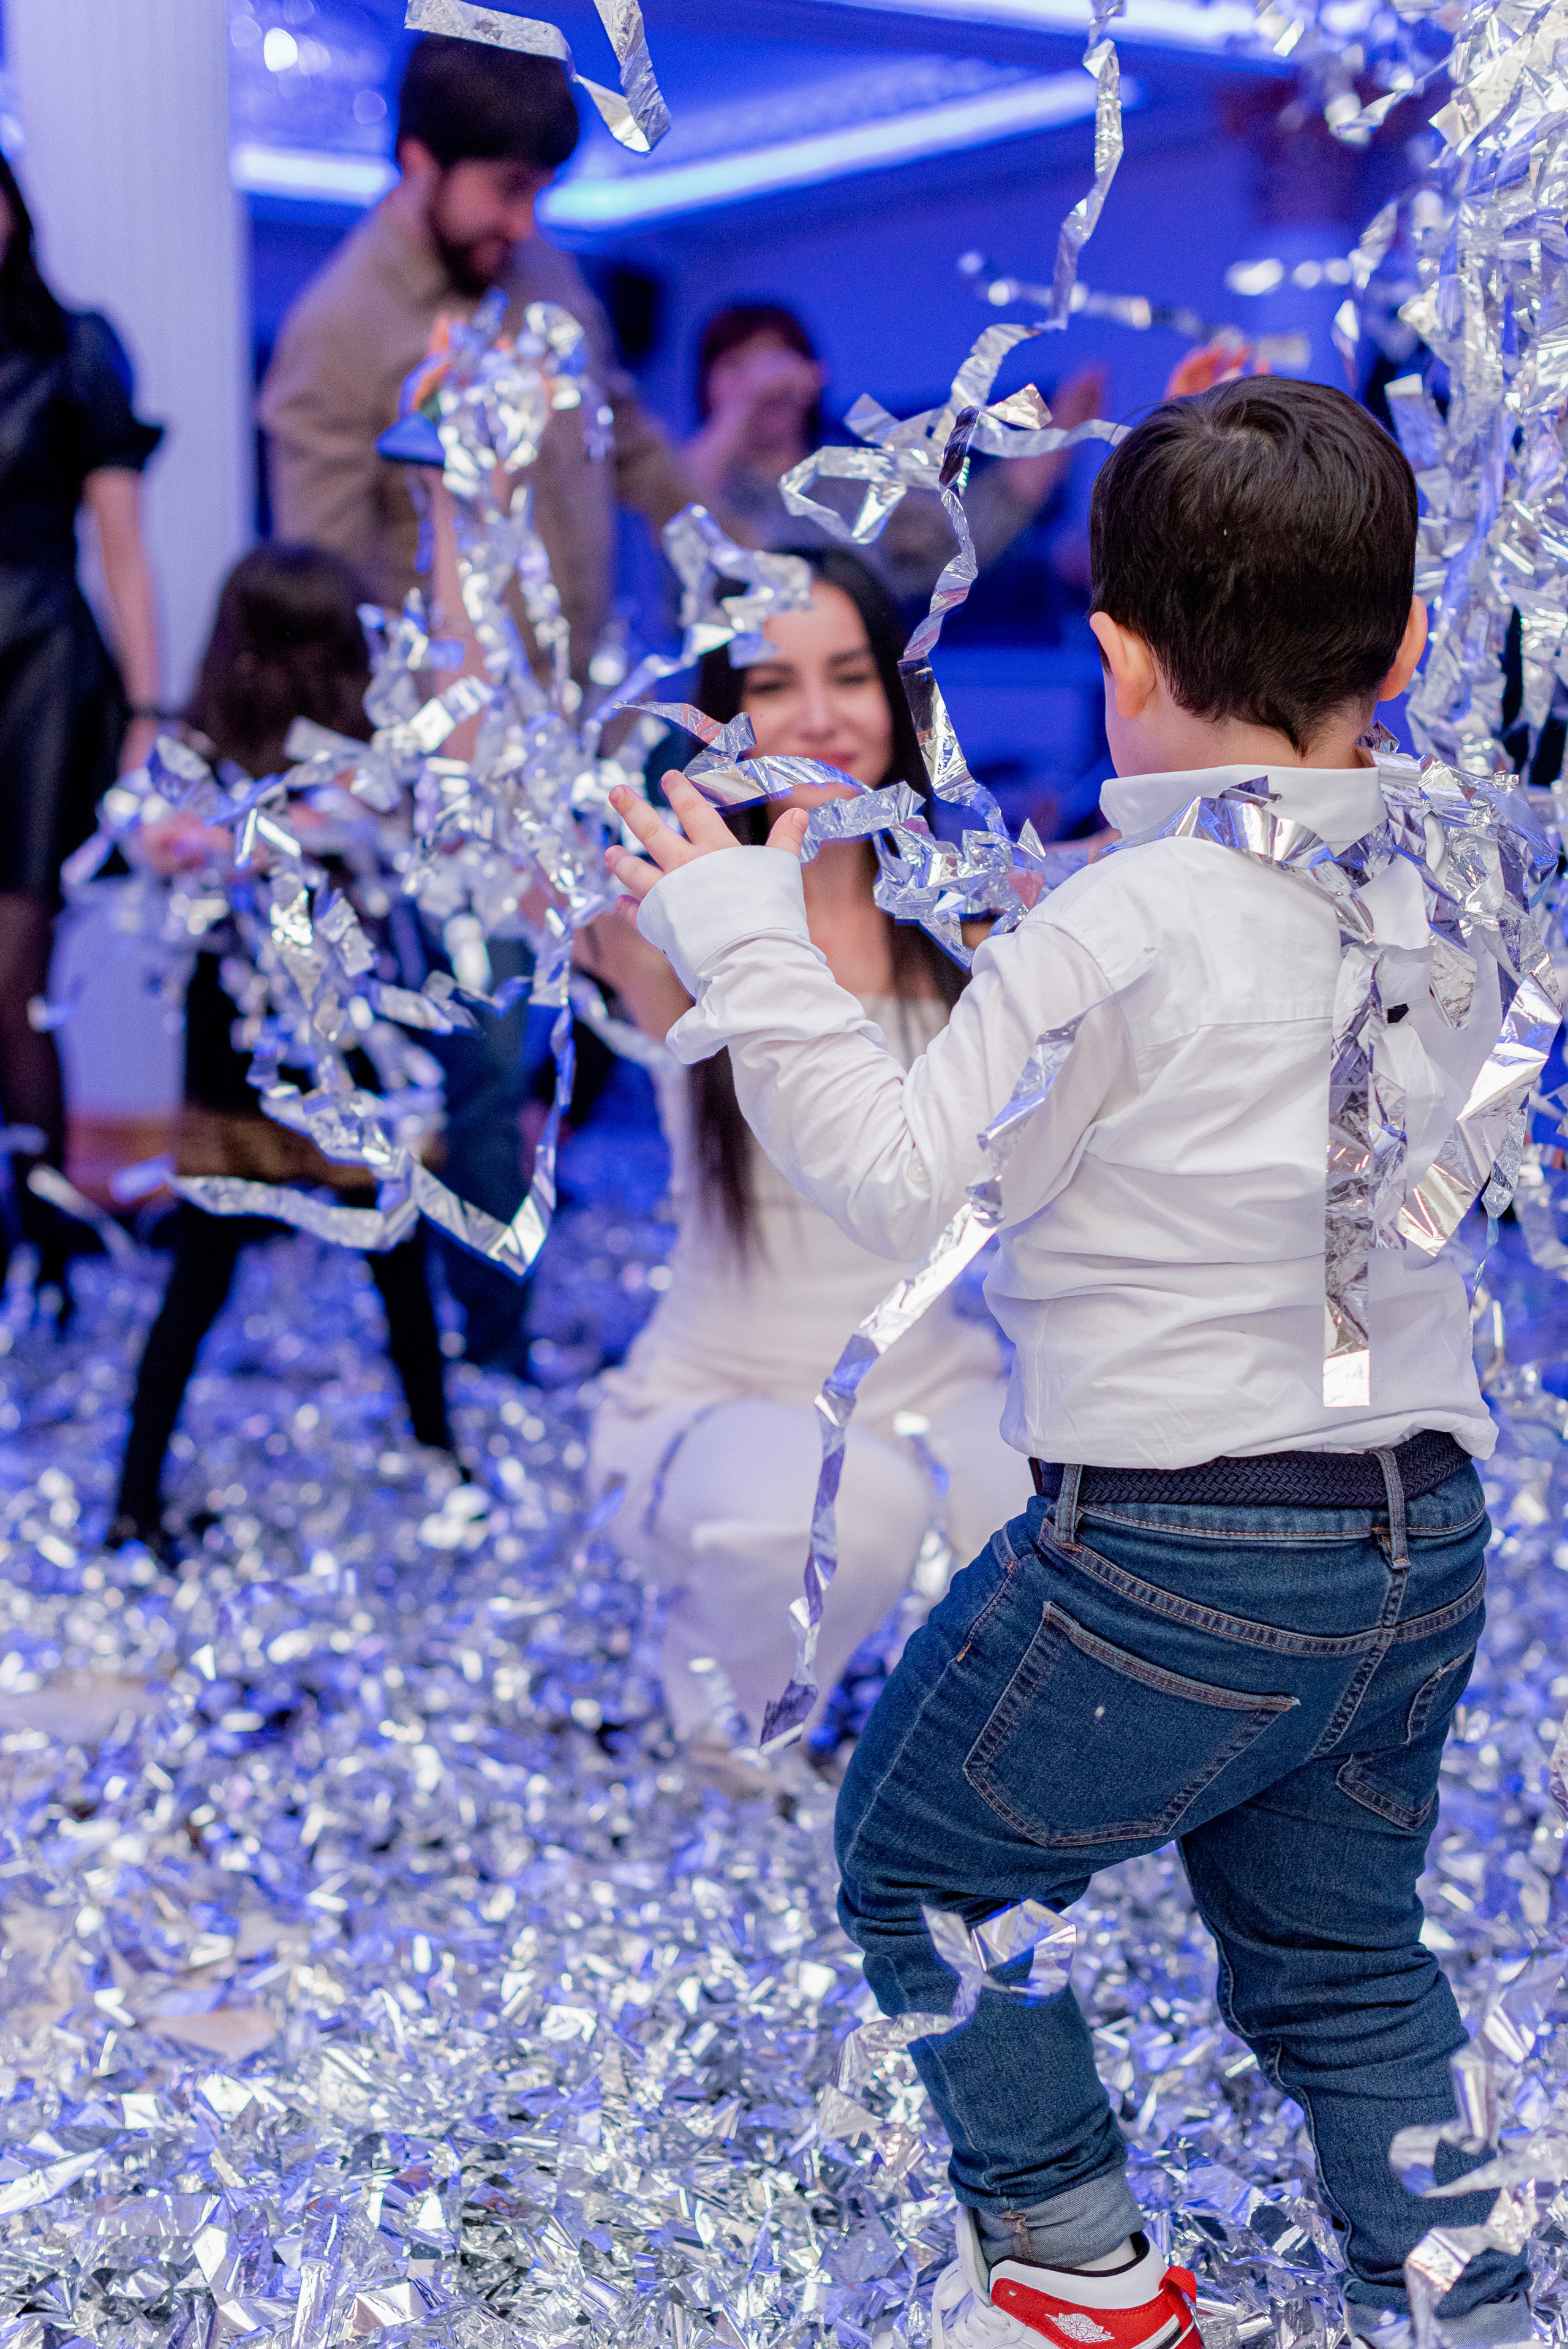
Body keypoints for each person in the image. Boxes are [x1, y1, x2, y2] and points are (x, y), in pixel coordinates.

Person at [603, 379, 1535, 2349]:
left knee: (916, 1866)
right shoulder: (1456, 890)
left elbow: (895, 1180)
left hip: (1175, 1557)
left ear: (1114, 661)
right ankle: (1474, 2302)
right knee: (1348, 1962)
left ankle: (1084, 2279)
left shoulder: (1116, 926)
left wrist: (744, 935)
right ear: (1406, 650)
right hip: (1422, 1540)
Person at [260, 33, 696, 1374]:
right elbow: (321, 594)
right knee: (488, 1055)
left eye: (537, 191)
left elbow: (627, 436)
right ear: (417, 161)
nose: (525, 220)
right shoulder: (339, 333)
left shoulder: (541, 271)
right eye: (504, 189)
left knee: (616, 1006)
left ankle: (591, 1301)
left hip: (581, 724)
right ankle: (495, 1354)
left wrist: (741, 563)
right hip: (447, 771)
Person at [581, 543, 1033, 1771]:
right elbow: (480, 784)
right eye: (773, 686)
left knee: (1051, 1498)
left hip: (938, 1384)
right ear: (723, 720)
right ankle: (722, 1706)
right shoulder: (664, 922)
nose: (821, 718)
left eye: (851, 675)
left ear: (900, 695)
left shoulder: (973, 921)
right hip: (723, 1403)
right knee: (848, 1502)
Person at [105, 547, 456, 1560]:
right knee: (215, 1270)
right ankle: (134, 1495)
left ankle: (444, 1458)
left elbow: (365, 820)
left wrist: (231, 840)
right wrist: (188, 838)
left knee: (389, 1263)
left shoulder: (366, 758)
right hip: (247, 1061)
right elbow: (146, 832)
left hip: (352, 1056)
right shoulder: (201, 751)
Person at [0, 153, 162, 1294]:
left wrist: (149, 711)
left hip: (42, 676)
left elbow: (123, 552)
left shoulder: (76, 348)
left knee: (12, 971)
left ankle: (45, 1235)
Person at [682, 301, 1107, 615]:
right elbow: (679, 516)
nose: (764, 381)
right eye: (736, 366)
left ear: (811, 378)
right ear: (705, 385)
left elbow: (966, 532)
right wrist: (743, 405)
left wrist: (1062, 428)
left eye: (775, 361)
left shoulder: (856, 482)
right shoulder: (706, 481)